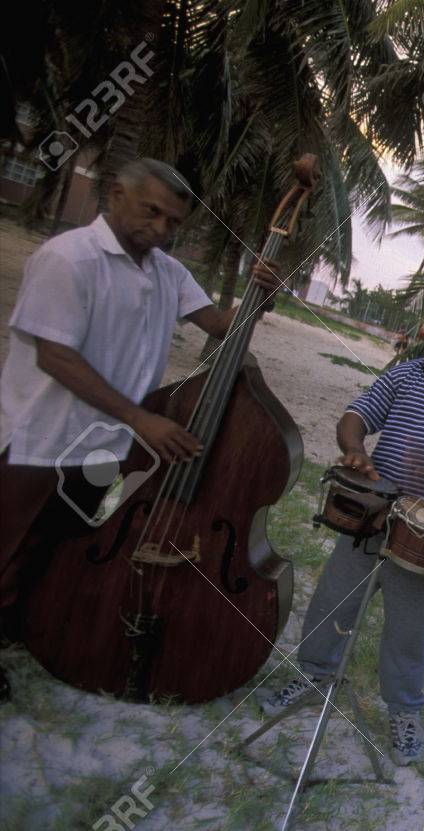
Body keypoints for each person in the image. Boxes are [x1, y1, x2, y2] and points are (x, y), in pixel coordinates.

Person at [0, 158, 283, 702]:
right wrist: (139, 417)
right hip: (43, 436)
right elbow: (56, 356)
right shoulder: (69, 258)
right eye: (151, 212)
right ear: (116, 195)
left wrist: (259, 296)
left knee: (55, 547)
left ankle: (18, 628)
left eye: (173, 222)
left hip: (101, 447)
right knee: (8, 545)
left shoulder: (167, 272)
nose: (160, 229)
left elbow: (225, 327)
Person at [260, 289, 424, 766]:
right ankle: (314, 674)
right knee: (334, 600)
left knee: (410, 633)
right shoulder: (407, 372)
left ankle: (404, 713)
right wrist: (355, 447)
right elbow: (355, 416)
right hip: (371, 512)